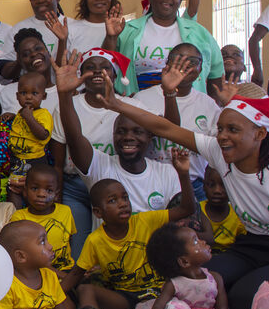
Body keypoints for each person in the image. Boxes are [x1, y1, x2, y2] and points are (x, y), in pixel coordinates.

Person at [75, 53, 269, 309]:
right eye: (221, 129)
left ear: (259, 134)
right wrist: (116, 104)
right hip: (251, 244)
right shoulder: (219, 152)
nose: (222, 136)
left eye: (233, 130)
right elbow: (164, 128)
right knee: (193, 281)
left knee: (243, 299)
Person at [64, 158, 194, 309]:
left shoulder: (145, 220)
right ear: (98, 212)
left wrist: (183, 175)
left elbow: (186, 209)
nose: (123, 203)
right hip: (124, 299)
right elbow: (76, 274)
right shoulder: (95, 240)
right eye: (113, 201)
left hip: (155, 295)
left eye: (125, 198)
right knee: (85, 289)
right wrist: (51, 296)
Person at [59, 49, 181, 215]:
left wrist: (170, 93)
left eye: (137, 131)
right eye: (121, 131)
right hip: (82, 179)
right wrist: (64, 95)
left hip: (122, 175)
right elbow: (74, 139)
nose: (128, 137)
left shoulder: (132, 106)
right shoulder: (101, 165)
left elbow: (169, 129)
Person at [50, 43, 126, 256]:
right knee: (79, 250)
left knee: (113, 249)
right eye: (90, 67)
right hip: (75, 188)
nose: (98, 72)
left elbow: (162, 130)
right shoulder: (67, 106)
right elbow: (57, 162)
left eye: (105, 67)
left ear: (114, 74)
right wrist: (57, 202)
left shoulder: (129, 106)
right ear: (81, 74)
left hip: (114, 185)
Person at [113, 0, 223, 96]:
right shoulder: (128, 29)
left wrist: (215, 103)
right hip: (137, 102)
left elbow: (216, 72)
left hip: (186, 104)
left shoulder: (198, 32)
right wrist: (110, 37)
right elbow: (109, 63)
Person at [132, 46, 219, 194]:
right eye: (178, 60)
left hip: (195, 186)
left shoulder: (209, 104)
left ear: (200, 69)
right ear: (166, 64)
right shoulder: (142, 99)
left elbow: (216, 148)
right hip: (151, 184)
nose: (185, 65)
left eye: (193, 61)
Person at [9, 163, 75, 273]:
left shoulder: (65, 211)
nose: (41, 194)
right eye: (35, 188)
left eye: (49, 190)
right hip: (36, 273)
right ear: (25, 191)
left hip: (66, 270)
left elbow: (69, 239)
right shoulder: (20, 218)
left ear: (56, 194)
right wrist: (63, 277)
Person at [2, 71, 53, 165]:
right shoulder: (22, 112)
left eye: (34, 93)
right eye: (23, 93)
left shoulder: (43, 114)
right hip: (16, 157)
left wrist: (29, 118)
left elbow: (43, 135)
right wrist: (13, 117)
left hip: (35, 159)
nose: (28, 97)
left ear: (44, 96)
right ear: (17, 96)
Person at [200, 167, 245, 253]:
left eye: (224, 185)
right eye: (211, 185)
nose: (217, 191)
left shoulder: (239, 215)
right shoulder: (196, 211)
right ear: (204, 186)